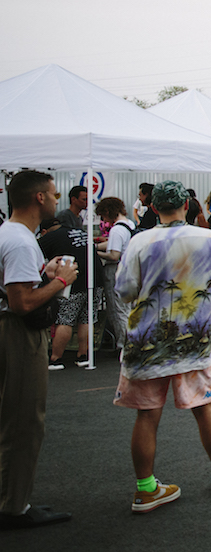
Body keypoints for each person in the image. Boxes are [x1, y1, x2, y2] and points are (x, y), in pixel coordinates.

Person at [112, 180, 211, 513]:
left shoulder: (140, 241)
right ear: (187, 204)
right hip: (193, 343)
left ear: (153, 208)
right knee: (203, 408)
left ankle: (145, 490)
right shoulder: (210, 239)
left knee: (147, 415)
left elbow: (124, 290)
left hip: (145, 343)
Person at [0, 171, 78, 529]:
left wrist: (44, 274)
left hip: (12, 333)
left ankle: (14, 499)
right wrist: (61, 281)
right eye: (54, 193)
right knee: (24, 421)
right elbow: (21, 302)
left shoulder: (13, 234)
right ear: (39, 199)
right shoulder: (20, 241)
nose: (58, 198)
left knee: (14, 418)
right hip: (18, 336)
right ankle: (13, 506)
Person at [38, 217, 104, 370]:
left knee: (66, 319)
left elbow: (32, 254)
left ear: (44, 231)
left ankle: (56, 358)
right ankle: (84, 355)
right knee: (87, 318)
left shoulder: (49, 237)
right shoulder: (78, 231)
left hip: (74, 279)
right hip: (96, 278)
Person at [94, 196, 135, 350]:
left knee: (118, 310)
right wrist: (98, 245)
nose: (103, 220)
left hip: (115, 271)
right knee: (127, 309)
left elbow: (113, 254)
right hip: (128, 270)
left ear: (107, 211)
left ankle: (123, 344)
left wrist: (96, 252)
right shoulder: (129, 224)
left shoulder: (116, 229)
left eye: (103, 216)